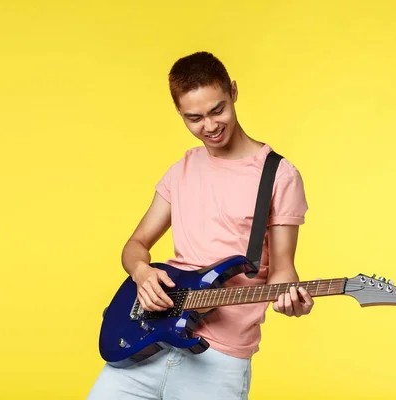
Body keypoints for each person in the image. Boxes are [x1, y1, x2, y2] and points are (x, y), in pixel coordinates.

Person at [87, 51, 313, 400]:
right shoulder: (183, 169)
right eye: (194, 118)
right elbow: (136, 244)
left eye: (217, 110)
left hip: (218, 358)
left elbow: (283, 270)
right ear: (179, 113)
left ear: (233, 92)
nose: (209, 126)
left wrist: (290, 299)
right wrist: (142, 274)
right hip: (147, 341)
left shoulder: (279, 175)